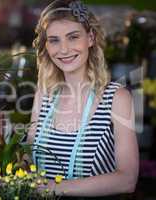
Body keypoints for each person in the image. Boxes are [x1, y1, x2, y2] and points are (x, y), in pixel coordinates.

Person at [27, 0, 139, 198]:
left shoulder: (117, 98)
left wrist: (54, 187)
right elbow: (28, 156)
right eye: (54, 40)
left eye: (73, 37)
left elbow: (127, 179)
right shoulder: (44, 95)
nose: (63, 50)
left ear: (90, 38)